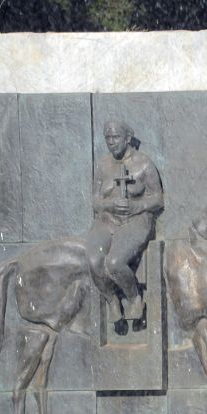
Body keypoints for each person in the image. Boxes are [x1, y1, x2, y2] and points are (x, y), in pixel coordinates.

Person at [86, 119, 163, 334]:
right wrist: (110, 203)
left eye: (115, 137)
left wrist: (137, 205)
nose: (111, 142)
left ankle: (134, 297)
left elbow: (158, 199)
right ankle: (112, 300)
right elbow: (95, 202)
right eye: (107, 138)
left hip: (136, 220)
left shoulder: (144, 164)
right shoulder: (102, 166)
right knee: (94, 260)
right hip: (108, 220)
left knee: (114, 262)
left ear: (128, 138)